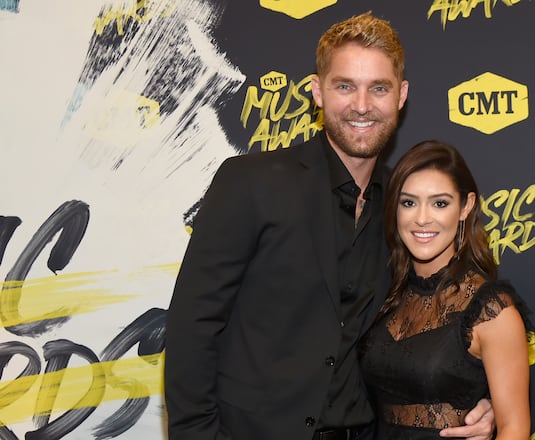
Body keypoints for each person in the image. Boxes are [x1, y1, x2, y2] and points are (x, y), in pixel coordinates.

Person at [164, 12, 495, 440]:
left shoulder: (406, 206)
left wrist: (479, 399)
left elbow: (441, 322)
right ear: (318, 92)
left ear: (401, 96)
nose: (362, 105)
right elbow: (194, 327)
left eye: (379, 88)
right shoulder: (250, 182)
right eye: (345, 86)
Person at [359, 140, 534, 439]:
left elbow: (514, 429)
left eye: (440, 203)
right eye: (408, 202)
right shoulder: (386, 294)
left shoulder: (490, 311)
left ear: (465, 207)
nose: (422, 218)